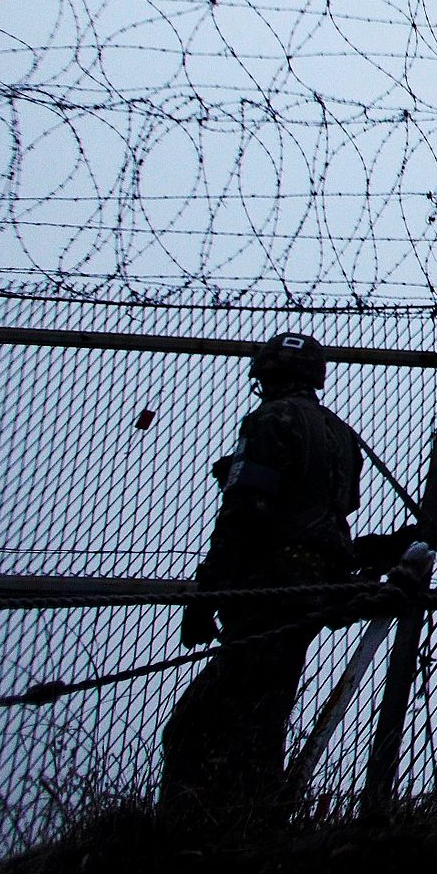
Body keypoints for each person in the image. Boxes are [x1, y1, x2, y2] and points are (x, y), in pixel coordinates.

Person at [160, 332, 365, 815]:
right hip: (314, 587)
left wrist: (208, 591)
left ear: (265, 377)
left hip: (266, 586)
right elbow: (343, 504)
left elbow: (246, 510)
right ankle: (251, 814)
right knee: (263, 711)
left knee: (198, 726)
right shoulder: (339, 433)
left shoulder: (271, 419)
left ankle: (204, 827)